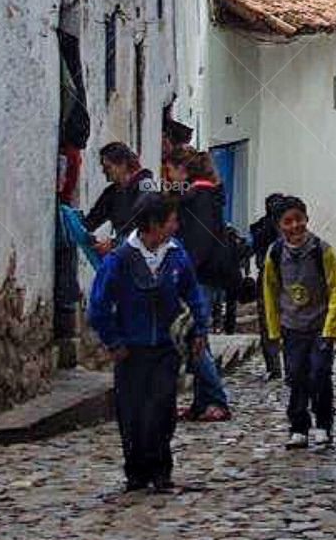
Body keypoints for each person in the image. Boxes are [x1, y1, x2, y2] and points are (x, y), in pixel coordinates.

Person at [88, 192, 209, 494]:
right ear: (154, 224)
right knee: (132, 413)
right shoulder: (120, 260)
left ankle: (161, 471)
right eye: (172, 220)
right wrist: (114, 341)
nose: (176, 225)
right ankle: (136, 473)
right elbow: (98, 306)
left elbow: (193, 294)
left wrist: (199, 329)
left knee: (162, 408)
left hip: (166, 348)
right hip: (132, 349)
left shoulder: (176, 254)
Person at [262, 196, 336, 450]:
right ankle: (298, 426)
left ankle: (323, 424)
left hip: (320, 327)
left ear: (307, 219)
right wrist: (274, 329)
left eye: (299, 219)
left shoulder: (322, 250)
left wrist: (331, 328)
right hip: (292, 327)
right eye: (288, 222)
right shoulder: (275, 254)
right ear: (279, 226)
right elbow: (270, 291)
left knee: (320, 375)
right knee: (296, 377)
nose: (295, 226)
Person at [165, 146, 232, 423]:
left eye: (170, 170)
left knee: (195, 339)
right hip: (205, 274)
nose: (167, 177)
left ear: (184, 170)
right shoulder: (203, 196)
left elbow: (200, 243)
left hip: (201, 276)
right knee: (194, 338)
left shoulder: (199, 198)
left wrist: (185, 274)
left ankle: (217, 400)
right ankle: (202, 403)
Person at [84, 142, 157, 253]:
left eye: (108, 167)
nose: (104, 172)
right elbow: (91, 221)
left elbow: (147, 226)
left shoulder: (146, 187)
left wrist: (115, 243)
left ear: (123, 164)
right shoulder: (112, 193)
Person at [251, 192, 286, 379]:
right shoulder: (265, 228)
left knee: (269, 322)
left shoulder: (262, 227)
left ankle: (275, 366)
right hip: (278, 276)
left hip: (277, 276)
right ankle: (279, 365)